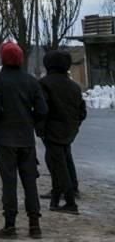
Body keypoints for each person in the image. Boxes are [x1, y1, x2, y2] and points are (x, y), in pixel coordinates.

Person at [0, 42, 48, 239]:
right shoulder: (31, 81)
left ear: (3, 58)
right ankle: (34, 224)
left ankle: (10, 225)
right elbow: (42, 110)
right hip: (26, 139)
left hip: (5, 139)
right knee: (30, 182)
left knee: (9, 183)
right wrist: (31, 123)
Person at [38, 50, 86, 214]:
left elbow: (42, 109)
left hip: (52, 131)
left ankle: (70, 202)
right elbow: (82, 111)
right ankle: (56, 199)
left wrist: (40, 130)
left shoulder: (44, 84)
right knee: (62, 161)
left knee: (58, 165)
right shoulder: (74, 86)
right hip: (69, 131)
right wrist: (75, 126)